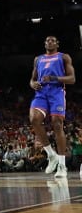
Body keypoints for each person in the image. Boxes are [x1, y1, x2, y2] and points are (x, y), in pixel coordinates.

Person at [29, 35, 75, 178]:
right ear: (44, 44)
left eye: (52, 40)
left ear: (57, 43)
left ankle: (62, 165)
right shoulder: (38, 59)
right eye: (47, 40)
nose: (49, 42)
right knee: (34, 119)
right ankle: (51, 155)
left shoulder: (63, 57)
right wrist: (32, 84)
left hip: (56, 92)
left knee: (57, 124)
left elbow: (72, 79)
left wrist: (54, 78)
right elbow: (32, 79)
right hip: (41, 92)